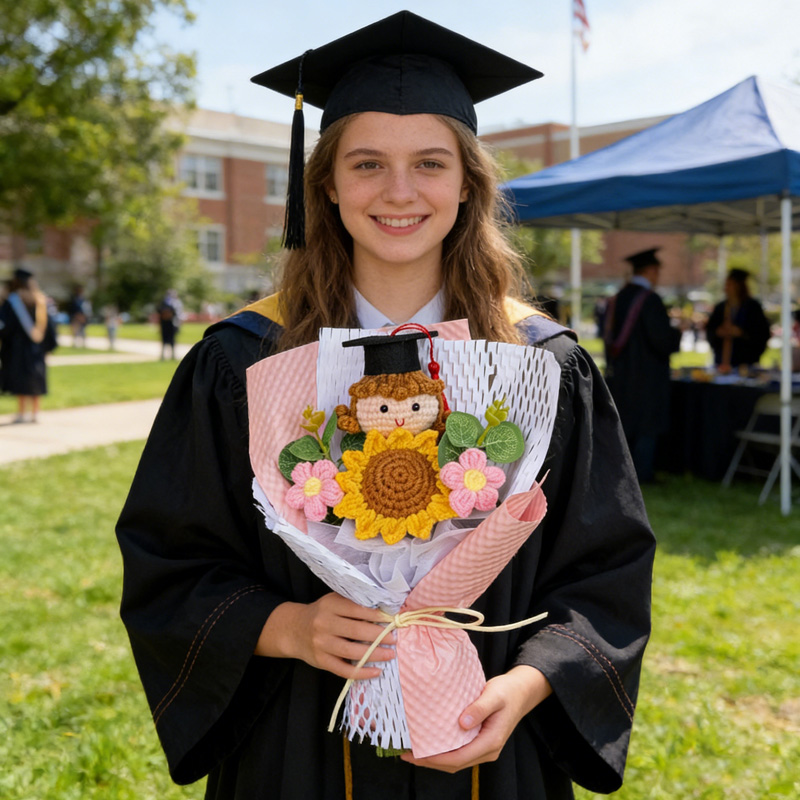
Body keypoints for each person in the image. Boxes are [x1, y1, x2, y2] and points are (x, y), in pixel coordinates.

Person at [116, 12, 656, 800]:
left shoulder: (541, 364)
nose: (399, 192)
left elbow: (606, 569)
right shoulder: (243, 361)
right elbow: (170, 560)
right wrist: (286, 627)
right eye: (367, 163)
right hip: (298, 739)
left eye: (430, 163)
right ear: (326, 185)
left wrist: (531, 686)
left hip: (490, 744)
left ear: (468, 183)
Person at [603, 247, 682, 483]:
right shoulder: (650, 300)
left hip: (621, 372)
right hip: (648, 375)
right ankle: (642, 474)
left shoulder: (618, 298)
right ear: (650, 270)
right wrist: (676, 334)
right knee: (647, 424)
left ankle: (618, 471)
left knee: (625, 424)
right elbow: (661, 340)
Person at [0, 268, 52, 423]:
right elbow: (51, 328)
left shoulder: (13, 300)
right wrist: (47, 346)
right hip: (37, 348)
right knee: (35, 378)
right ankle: (35, 413)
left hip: (18, 349)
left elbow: (6, 326)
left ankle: (22, 413)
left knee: (20, 379)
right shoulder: (40, 299)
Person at [706, 268, 770, 372]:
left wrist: (741, 333)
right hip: (722, 360)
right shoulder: (721, 307)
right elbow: (711, 330)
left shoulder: (752, 307)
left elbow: (761, 333)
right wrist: (718, 332)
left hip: (745, 361)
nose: (727, 288)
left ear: (739, 286)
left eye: (731, 285)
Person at [157, 288, 183, 360]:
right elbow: (159, 311)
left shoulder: (175, 303)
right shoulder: (163, 303)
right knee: (164, 340)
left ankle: (172, 355)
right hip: (164, 323)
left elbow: (176, 313)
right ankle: (163, 355)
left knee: (172, 340)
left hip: (172, 324)